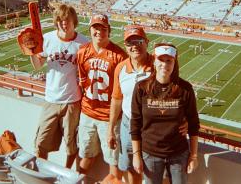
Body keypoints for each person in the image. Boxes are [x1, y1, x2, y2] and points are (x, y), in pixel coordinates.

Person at [26, 4, 88, 168]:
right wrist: (32, 51)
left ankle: (67, 172)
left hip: (73, 101)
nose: (63, 23)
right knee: (40, 143)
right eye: (60, 20)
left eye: (66, 19)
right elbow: (37, 66)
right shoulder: (47, 39)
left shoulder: (83, 43)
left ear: (74, 21)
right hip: (51, 99)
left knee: (71, 144)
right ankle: (41, 172)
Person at [130, 43, 200, 184]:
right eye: (161, 60)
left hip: (178, 153)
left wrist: (193, 155)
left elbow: (193, 124)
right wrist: (136, 154)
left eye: (169, 60)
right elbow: (135, 123)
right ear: (154, 61)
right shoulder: (141, 88)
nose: (165, 65)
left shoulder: (185, 89)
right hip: (150, 153)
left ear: (175, 62)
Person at [77, 14, 127, 177]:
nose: (99, 31)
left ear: (109, 31)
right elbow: (82, 82)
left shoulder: (119, 56)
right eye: (95, 28)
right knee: (85, 158)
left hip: (109, 118)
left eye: (103, 28)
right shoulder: (82, 51)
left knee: (114, 164)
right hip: (87, 114)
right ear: (90, 29)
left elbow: (122, 93)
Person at [108, 25, 153, 184]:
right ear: (125, 46)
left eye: (139, 41)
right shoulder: (121, 68)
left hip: (152, 126)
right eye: (130, 43)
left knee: (153, 169)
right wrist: (111, 129)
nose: (135, 46)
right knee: (130, 167)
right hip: (128, 124)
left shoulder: (157, 65)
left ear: (147, 42)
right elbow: (116, 100)